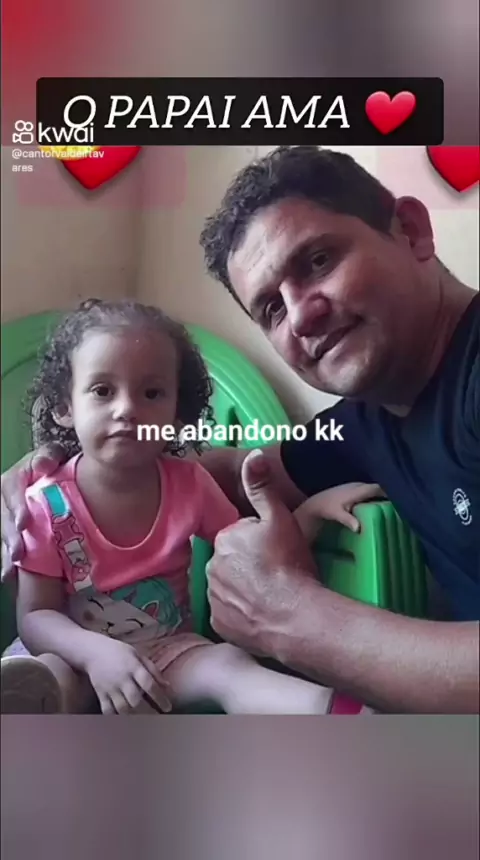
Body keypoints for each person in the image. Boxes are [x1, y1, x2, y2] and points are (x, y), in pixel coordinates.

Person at [2, 147, 479, 713]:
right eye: (272, 308)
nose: (300, 315)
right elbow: (236, 471)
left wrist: (295, 619)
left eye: (319, 260)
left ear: (411, 230)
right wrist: (60, 462)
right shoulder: (367, 421)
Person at [0, 297, 379, 715]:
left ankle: (349, 719)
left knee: (228, 666)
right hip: (73, 656)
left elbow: (250, 554)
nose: (127, 409)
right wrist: (96, 655)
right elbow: (35, 617)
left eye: (152, 393)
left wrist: (308, 513)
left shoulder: (191, 485)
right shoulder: (44, 504)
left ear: (177, 414)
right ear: (65, 408)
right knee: (46, 676)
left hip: (167, 654)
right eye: (102, 391)